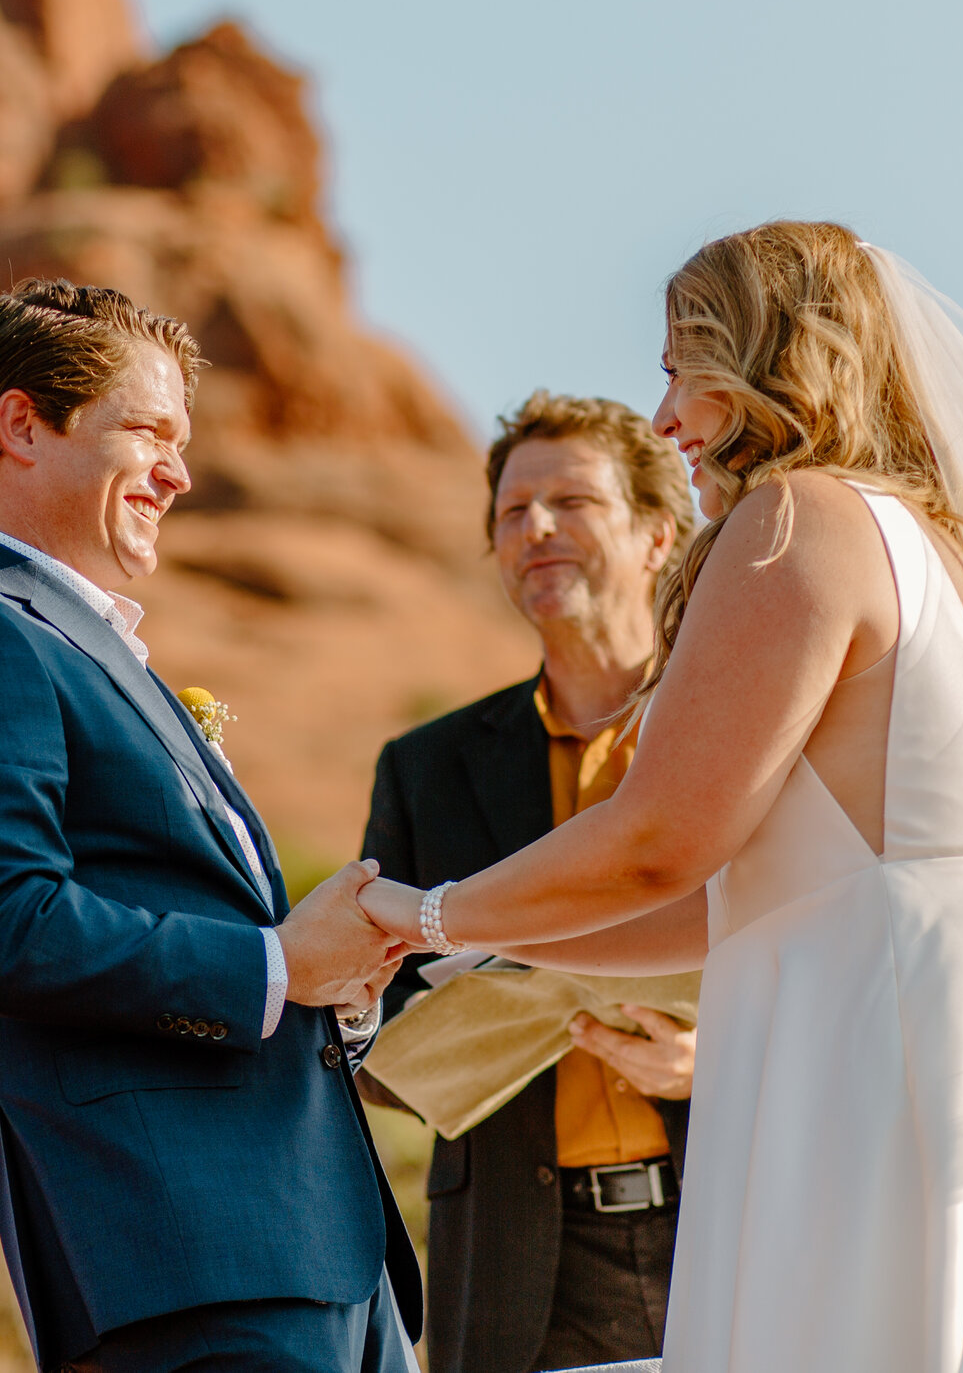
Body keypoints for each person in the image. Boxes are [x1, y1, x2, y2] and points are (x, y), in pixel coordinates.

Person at [358, 221, 963, 1371]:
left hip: (880, 1039)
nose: (666, 415)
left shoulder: (794, 520)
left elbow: (660, 843)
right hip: (958, 1004)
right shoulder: (936, 544)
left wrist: (424, 913)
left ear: (760, 356)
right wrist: (473, 946)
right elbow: (716, 902)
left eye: (681, 366)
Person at [0, 278, 422, 1373]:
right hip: (182, 1267)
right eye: (147, 431)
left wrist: (331, 984)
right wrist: (276, 963)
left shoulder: (86, 646)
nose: (180, 471)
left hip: (314, 1255)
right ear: (24, 424)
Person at [363, 392, 698, 1373]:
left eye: (571, 501)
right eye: (512, 512)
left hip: (731, 1208)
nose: (536, 528)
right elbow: (371, 1012)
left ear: (656, 534)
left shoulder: (734, 738)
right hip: (514, 1261)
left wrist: (717, 1052)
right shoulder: (423, 766)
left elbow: (826, 950)